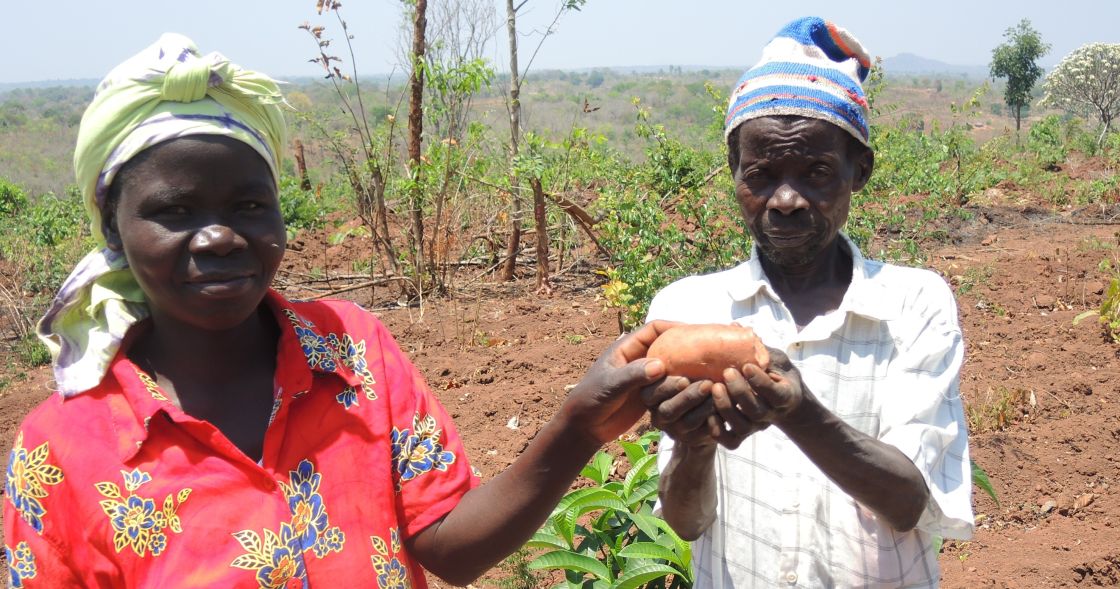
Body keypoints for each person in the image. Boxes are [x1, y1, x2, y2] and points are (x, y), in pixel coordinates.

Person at [4, 34, 672, 588]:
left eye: (248, 205)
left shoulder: (352, 352)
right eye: (173, 211)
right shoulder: (64, 446)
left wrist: (579, 426)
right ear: (115, 232)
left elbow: (450, 544)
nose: (218, 236)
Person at [642, 17, 974, 589]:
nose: (787, 200)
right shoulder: (688, 308)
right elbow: (687, 524)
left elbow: (908, 502)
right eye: (761, 175)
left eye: (817, 172)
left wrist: (799, 412)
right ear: (735, 176)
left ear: (859, 171)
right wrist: (694, 446)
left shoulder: (914, 305)